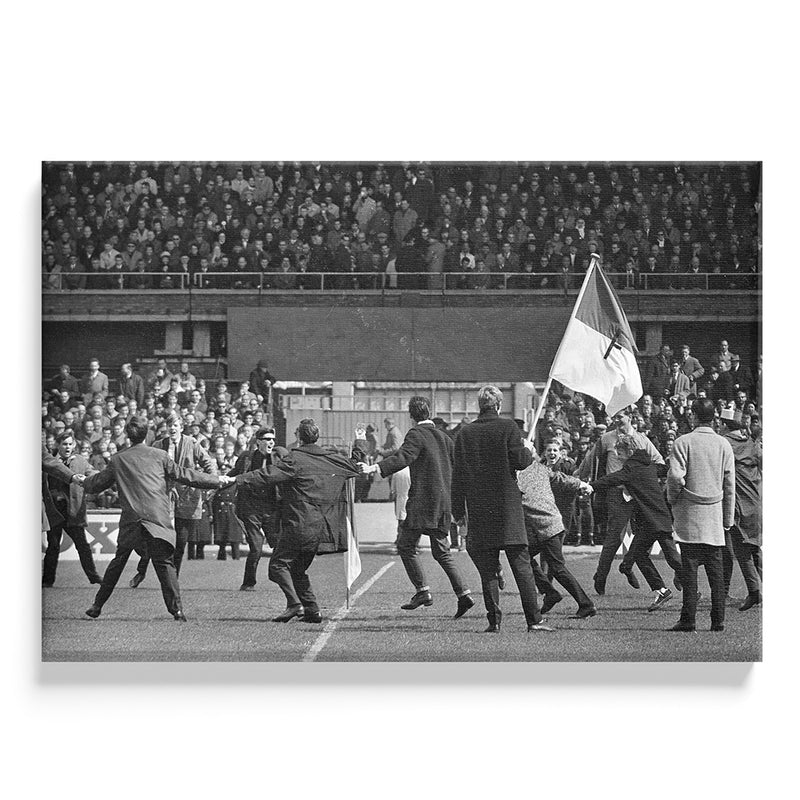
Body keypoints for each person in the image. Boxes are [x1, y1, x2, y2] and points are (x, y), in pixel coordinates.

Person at [82, 417, 222, 621]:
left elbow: (96, 484)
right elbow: (185, 475)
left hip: (132, 519)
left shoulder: (118, 459)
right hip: (156, 518)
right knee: (164, 564)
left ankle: (97, 605)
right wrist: (216, 480)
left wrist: (81, 480)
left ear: (128, 436)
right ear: (146, 434)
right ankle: (177, 611)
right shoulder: (160, 455)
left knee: (118, 562)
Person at [225, 418, 361, 623]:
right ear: (317, 437)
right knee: (297, 568)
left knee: (277, 567)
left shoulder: (295, 459)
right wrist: (359, 442)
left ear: (299, 437)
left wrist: (237, 479)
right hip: (323, 529)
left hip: (299, 524)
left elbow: (266, 475)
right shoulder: (332, 459)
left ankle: (294, 604)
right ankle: (312, 611)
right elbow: (356, 465)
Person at [359, 396, 474, 617]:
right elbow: (458, 470)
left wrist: (374, 468)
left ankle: (422, 591)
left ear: (411, 416)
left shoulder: (416, 434)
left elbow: (403, 457)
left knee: (405, 545)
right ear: (429, 413)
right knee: (442, 552)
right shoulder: (445, 437)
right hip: (443, 503)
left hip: (423, 502)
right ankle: (464, 594)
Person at [451, 385, 553, 633]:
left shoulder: (465, 433)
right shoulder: (508, 427)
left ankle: (494, 620)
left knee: (488, 569)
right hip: (507, 508)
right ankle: (534, 620)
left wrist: (458, 511)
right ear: (498, 405)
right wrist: (527, 450)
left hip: (479, 507)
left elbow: (458, 475)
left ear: (479, 405)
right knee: (522, 566)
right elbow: (520, 462)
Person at [591, 434, 684, 612]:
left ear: (629, 451)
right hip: (659, 518)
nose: (618, 456)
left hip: (651, 521)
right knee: (666, 557)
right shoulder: (649, 465)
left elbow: (611, 479)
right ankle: (682, 589)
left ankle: (668, 590)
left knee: (646, 556)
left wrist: (591, 486)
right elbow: (664, 469)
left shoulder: (631, 469)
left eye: (620, 453)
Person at [577, 406, 664, 595]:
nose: (616, 420)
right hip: (617, 493)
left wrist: (644, 477)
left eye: (620, 416)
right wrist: (579, 478)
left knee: (644, 535)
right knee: (615, 536)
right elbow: (590, 460)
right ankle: (601, 576)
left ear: (630, 417)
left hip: (640, 495)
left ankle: (628, 565)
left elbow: (659, 462)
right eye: (614, 417)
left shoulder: (642, 439)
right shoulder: (607, 438)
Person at [667, 398, 735, 632]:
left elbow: (676, 478)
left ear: (694, 416)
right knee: (716, 573)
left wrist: (673, 499)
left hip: (690, 514)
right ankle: (718, 620)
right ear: (714, 417)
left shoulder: (682, 442)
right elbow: (729, 485)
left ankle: (688, 619)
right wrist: (727, 519)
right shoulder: (724, 444)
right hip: (714, 516)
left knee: (690, 570)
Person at [129, 413, 217, 587]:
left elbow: (209, 464)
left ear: (181, 427)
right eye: (169, 425)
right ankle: (141, 571)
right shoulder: (158, 445)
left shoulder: (192, 443)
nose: (172, 428)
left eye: (175, 425)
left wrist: (209, 484)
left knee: (181, 541)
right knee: (154, 536)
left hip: (187, 497)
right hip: (163, 496)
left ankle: (172, 578)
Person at [516, 455, 597, 619]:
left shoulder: (516, 477)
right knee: (523, 557)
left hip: (547, 528)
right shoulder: (538, 468)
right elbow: (560, 478)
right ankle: (550, 592)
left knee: (557, 568)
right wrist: (581, 484)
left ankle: (585, 604)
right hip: (548, 525)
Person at [227, 427, 289, 590]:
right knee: (256, 547)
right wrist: (218, 484)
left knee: (278, 544)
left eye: (273, 439)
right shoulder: (247, 457)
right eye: (268, 439)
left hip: (272, 508)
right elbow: (234, 474)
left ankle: (281, 576)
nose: (271, 442)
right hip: (251, 508)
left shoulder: (279, 456)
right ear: (259, 442)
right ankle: (248, 583)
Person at [42, 432, 104, 587]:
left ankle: (93, 576)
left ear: (74, 445)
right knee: (53, 545)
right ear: (58, 445)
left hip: (73, 511)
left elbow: (91, 473)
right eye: (64, 444)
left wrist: (99, 477)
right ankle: (47, 580)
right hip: (55, 511)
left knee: (82, 545)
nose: (67, 447)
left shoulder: (80, 461)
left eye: (70, 444)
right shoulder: (49, 461)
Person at [719, 407, 762, 611]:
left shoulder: (725, 444)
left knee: (742, 550)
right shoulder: (752, 444)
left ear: (724, 425)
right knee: (755, 549)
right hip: (756, 503)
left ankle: (754, 591)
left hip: (739, 506)